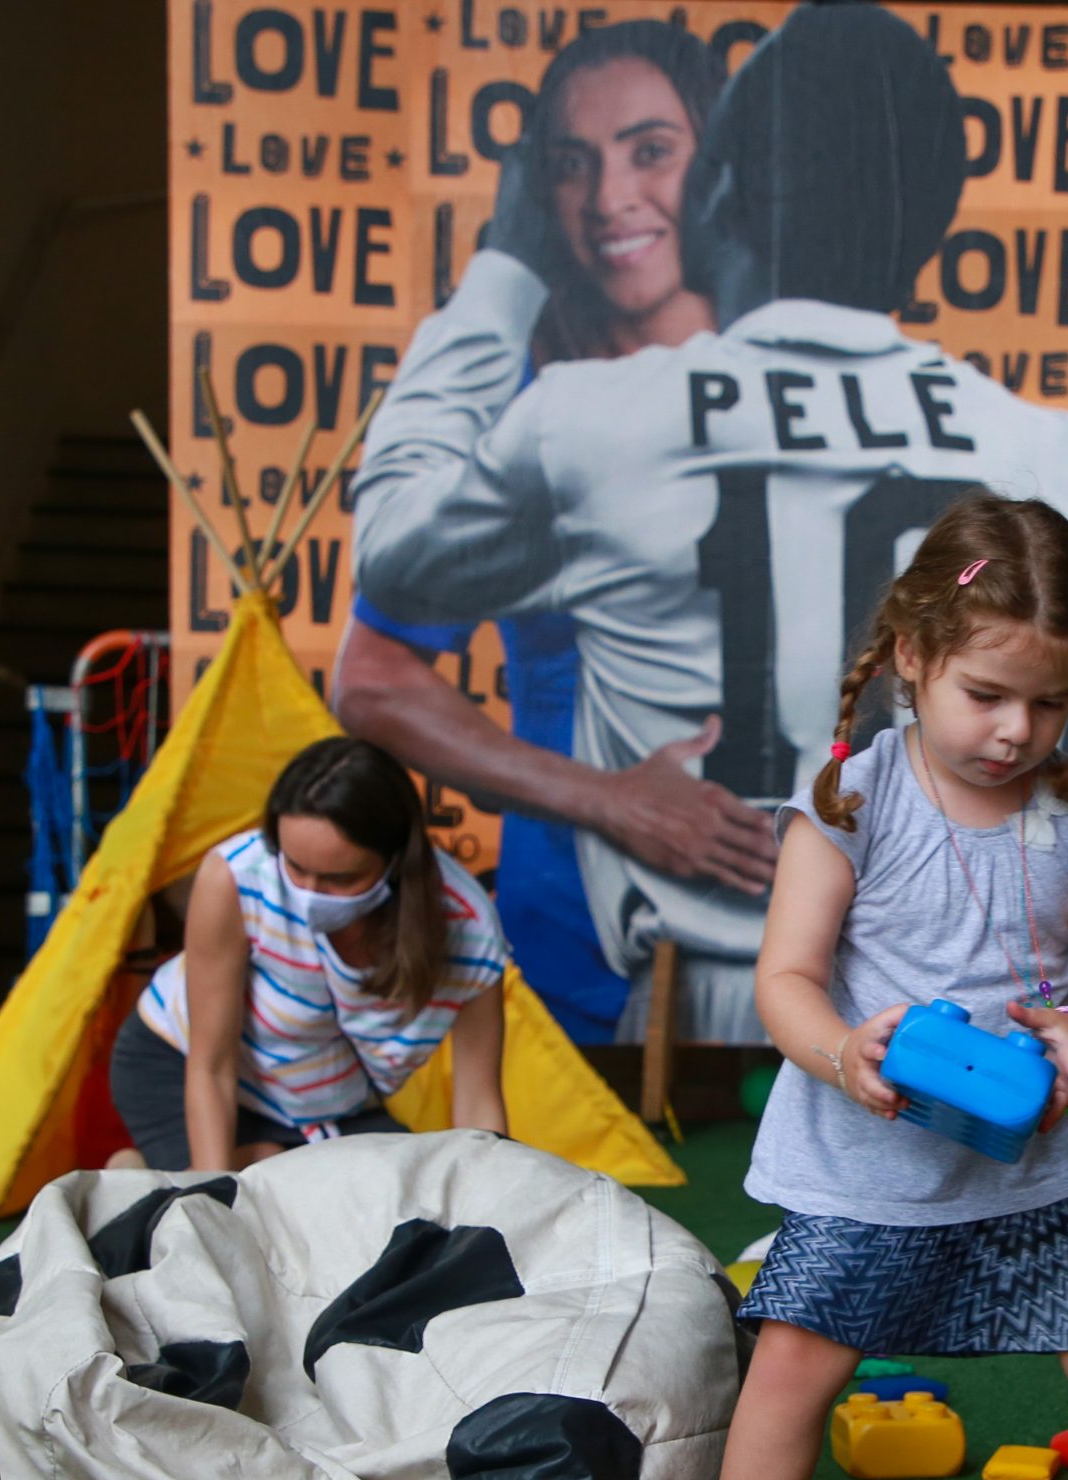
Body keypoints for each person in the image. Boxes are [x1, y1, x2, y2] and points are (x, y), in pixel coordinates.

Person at [352, 0, 1068, 1047]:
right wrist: (992, 872)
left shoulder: (590, 417)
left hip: (685, 996)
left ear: (722, 194)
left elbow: (389, 545)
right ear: (929, 219)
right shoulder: (1036, 446)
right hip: (941, 1002)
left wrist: (503, 269)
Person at [590, 491, 1068, 1480]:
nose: (1016, 731)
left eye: (1048, 702)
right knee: (793, 1363)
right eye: (985, 695)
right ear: (913, 656)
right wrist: (841, 1051)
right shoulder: (852, 796)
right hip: (870, 1160)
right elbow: (788, 977)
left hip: (1045, 1167)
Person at [331, 20, 773, 1046]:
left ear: (718, 171)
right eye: (573, 166)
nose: (610, 196)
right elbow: (370, 677)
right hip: (586, 947)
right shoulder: (531, 417)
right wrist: (614, 800)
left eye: (650, 152)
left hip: (813, 951)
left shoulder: (811, 394)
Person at [107, 737, 509, 1170]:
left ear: (396, 860)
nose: (309, 895)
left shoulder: (470, 928)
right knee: (254, 1191)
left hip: (324, 1104)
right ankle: (146, 1183)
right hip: (182, 1065)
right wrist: (215, 1195)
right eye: (294, 866)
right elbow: (211, 1067)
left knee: (400, 1188)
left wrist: (488, 1206)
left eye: (340, 878)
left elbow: (478, 1101)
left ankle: (198, 1174)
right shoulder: (235, 876)